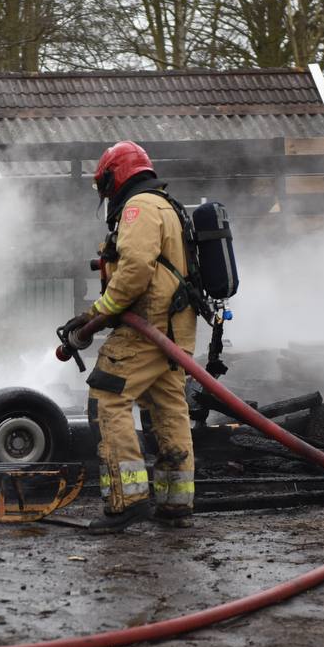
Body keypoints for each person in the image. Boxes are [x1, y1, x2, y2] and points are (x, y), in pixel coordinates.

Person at [64, 141, 197, 534]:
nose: (106, 195)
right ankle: (175, 503)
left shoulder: (139, 209)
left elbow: (135, 270)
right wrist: (96, 317)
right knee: (168, 408)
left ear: (115, 176)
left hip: (149, 327)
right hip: (175, 330)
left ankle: (127, 500)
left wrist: (95, 318)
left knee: (107, 397)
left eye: (105, 185)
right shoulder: (167, 206)